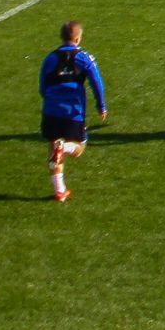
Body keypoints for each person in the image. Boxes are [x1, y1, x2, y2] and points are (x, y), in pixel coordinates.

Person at [39, 21, 107, 203]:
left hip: (51, 111)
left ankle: (59, 190)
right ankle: (65, 148)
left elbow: (43, 86)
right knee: (79, 147)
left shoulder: (50, 58)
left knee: (53, 147)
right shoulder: (84, 57)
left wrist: (50, 98)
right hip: (73, 112)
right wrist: (101, 106)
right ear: (78, 38)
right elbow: (96, 83)